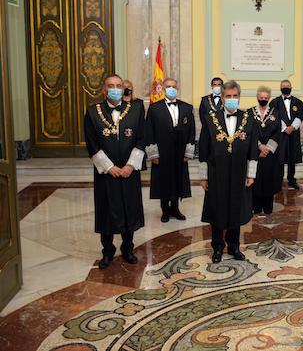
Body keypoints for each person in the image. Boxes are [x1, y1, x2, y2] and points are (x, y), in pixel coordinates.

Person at [84, 74, 146, 269]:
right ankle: (108, 251)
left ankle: (128, 248)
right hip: (106, 173)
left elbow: (142, 139)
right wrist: (109, 167)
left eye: (118, 86)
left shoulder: (135, 110)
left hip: (129, 170)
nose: (115, 89)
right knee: (107, 211)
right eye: (111, 86)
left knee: (129, 208)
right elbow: (91, 143)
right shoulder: (92, 112)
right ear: (104, 90)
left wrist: (130, 165)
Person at [199, 80, 259, 263]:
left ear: (239, 98)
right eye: (228, 96)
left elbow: (253, 151)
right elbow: (203, 149)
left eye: (235, 96)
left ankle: (234, 246)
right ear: (222, 98)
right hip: (217, 173)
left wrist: (251, 174)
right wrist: (203, 176)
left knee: (236, 208)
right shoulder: (211, 118)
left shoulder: (249, 120)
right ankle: (217, 247)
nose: (232, 99)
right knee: (217, 209)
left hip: (240, 173)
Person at [145, 78, 195, 222]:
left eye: (174, 86)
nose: (171, 89)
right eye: (168, 86)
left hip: (180, 152)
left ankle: (175, 208)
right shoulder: (154, 109)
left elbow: (191, 131)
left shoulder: (187, 107)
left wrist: (188, 152)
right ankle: (165, 210)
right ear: (163, 89)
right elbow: (149, 131)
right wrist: (153, 154)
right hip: (162, 151)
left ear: (177, 88)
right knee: (164, 180)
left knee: (178, 179)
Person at [250, 86, 283, 215]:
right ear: (257, 97)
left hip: (270, 154)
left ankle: (268, 206)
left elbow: (277, 134)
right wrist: (259, 146)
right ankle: (256, 206)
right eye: (261, 98)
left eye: (265, 98)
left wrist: (267, 148)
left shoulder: (276, 113)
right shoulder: (250, 112)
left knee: (269, 179)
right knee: (256, 178)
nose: (263, 99)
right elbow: (249, 132)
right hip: (255, 151)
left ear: (269, 98)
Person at [270, 79, 303, 190]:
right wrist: (285, 128)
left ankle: (291, 180)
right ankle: (278, 180)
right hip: (280, 134)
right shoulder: (274, 102)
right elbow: (274, 117)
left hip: (294, 133)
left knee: (292, 157)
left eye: (287, 86)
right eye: (283, 86)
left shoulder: (298, 102)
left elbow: (300, 116)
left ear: (291, 87)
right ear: (280, 88)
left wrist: (292, 127)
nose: (285, 88)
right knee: (280, 158)